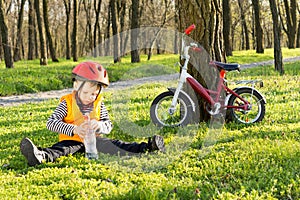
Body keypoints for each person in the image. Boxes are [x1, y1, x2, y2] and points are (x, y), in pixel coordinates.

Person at [20, 61, 165, 166]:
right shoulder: (67, 103)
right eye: (86, 92)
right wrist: (75, 129)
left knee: (115, 145)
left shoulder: (98, 104)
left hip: (94, 141)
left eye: (94, 94)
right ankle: (41, 156)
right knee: (61, 150)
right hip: (72, 141)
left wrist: (99, 125)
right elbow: (51, 123)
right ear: (76, 86)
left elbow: (108, 125)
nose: (90, 97)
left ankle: (147, 147)